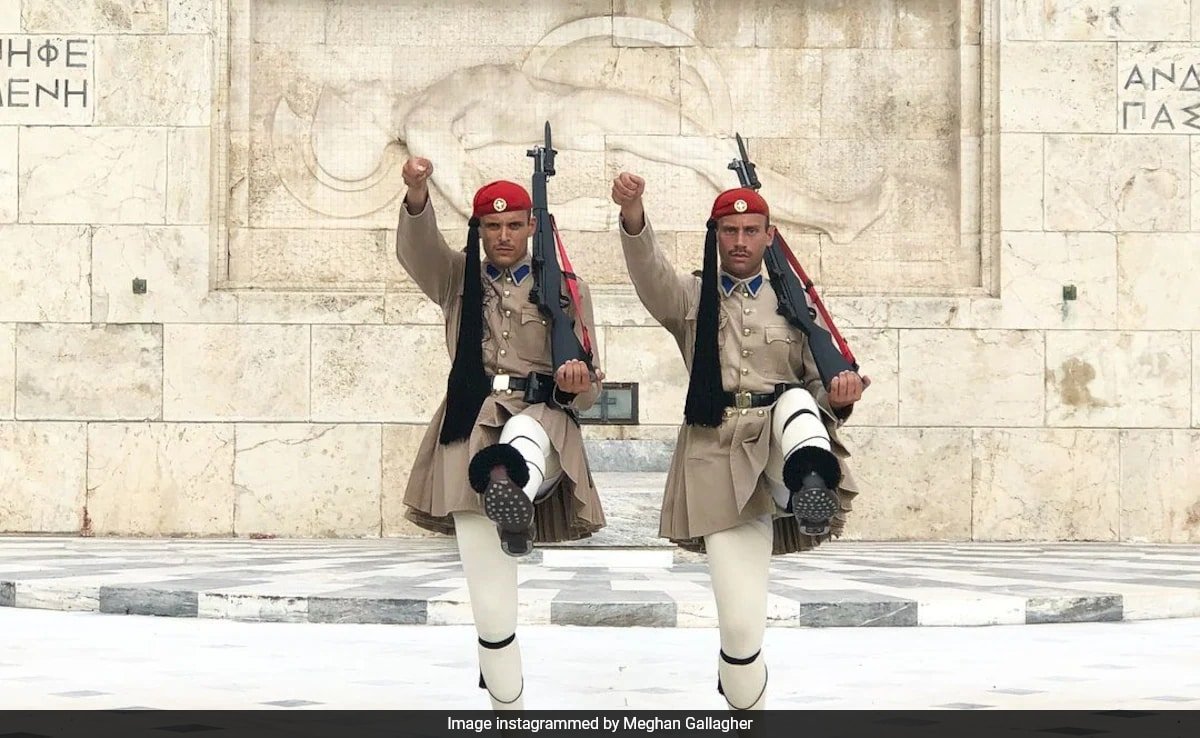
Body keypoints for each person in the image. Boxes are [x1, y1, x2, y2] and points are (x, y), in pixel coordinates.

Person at [612, 172, 869, 710]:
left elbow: (824, 381)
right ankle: (745, 704)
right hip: (717, 455)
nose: (740, 241)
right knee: (740, 624)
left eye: (751, 230)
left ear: (769, 237)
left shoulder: (797, 305)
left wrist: (841, 393)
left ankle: (810, 488)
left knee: (798, 402)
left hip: (781, 449)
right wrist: (634, 213)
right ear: (715, 235)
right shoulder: (691, 297)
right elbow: (649, 274)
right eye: (729, 230)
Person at [395, 156, 605, 710]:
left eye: (515, 225)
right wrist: (418, 195)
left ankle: (512, 486)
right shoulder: (458, 279)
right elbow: (417, 252)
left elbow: (588, 392)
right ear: (480, 230)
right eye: (493, 225)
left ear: (532, 227)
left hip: (540, 415)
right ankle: (506, 701)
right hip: (471, 419)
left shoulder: (565, 289)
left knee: (527, 440)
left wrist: (578, 379)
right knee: (488, 591)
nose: (505, 235)